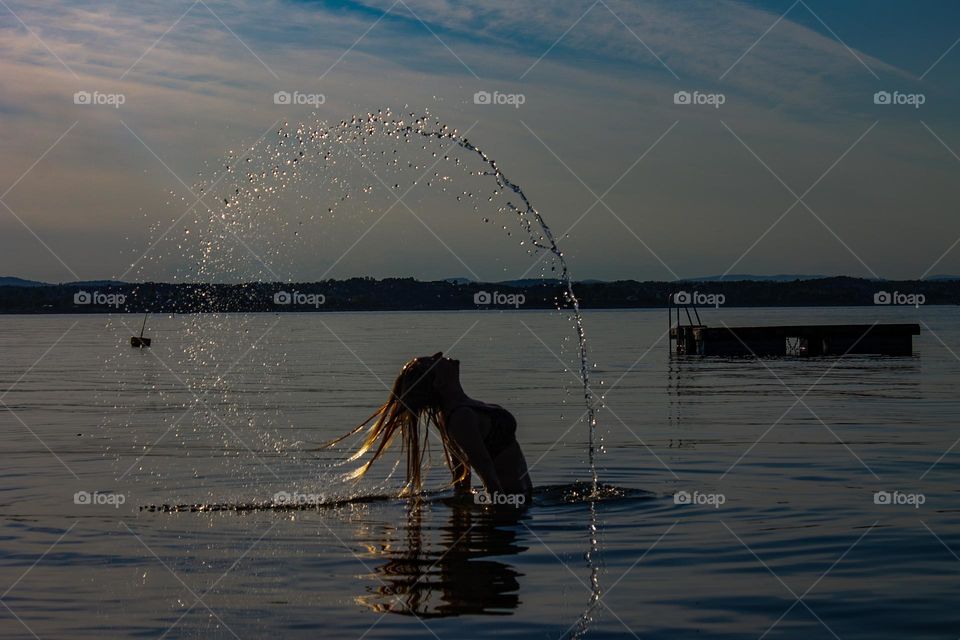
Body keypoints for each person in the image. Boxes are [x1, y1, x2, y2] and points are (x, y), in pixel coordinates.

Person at [326, 352, 532, 503]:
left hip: (517, 504)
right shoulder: (461, 417)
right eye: (433, 361)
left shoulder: (459, 412)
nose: (439, 355)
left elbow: (462, 481)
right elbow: (487, 473)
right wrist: (503, 512)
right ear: (438, 383)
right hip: (509, 510)